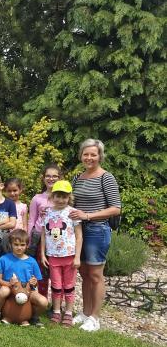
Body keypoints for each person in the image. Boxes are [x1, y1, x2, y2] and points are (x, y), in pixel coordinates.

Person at [69, 139, 121, 332]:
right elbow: (70, 202)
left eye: (93, 154)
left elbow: (116, 208)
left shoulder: (106, 178)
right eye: (86, 154)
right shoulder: (77, 178)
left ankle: (95, 318)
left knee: (96, 274)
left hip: (97, 230)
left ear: (100, 156)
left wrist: (88, 215)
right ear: (81, 156)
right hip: (78, 231)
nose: (89, 157)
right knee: (84, 273)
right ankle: (85, 313)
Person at [39, 180, 82, 327]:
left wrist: (77, 257)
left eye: (64, 197)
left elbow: (79, 236)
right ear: (52, 196)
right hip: (53, 256)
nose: (61, 200)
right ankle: (56, 311)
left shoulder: (72, 213)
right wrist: (43, 254)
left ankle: (68, 313)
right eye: (58, 196)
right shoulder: (47, 213)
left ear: (69, 197)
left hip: (69, 256)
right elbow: (44, 234)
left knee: (69, 286)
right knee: (56, 286)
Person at [0, 230, 48, 326]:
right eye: (16, 244)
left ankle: (34, 317)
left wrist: (34, 282)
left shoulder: (32, 261)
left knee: (43, 302)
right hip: (10, 288)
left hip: (28, 291)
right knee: (4, 291)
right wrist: (9, 284)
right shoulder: (4, 259)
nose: (19, 248)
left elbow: (36, 282)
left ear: (27, 245)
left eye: (22, 245)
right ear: (11, 244)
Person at [28, 165, 62, 298]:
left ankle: (57, 302)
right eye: (48, 176)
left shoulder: (64, 198)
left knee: (56, 271)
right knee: (40, 270)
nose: (51, 179)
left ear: (59, 178)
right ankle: (41, 300)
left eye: (54, 176)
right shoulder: (37, 198)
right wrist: (28, 240)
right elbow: (31, 220)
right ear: (43, 178)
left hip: (57, 239)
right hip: (38, 238)